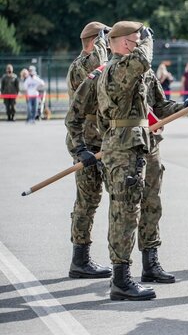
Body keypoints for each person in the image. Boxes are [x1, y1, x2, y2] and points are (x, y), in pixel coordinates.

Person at [96, 21, 188, 301]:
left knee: (149, 204)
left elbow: (161, 107)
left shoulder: (140, 71)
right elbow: (142, 60)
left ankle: (150, 263)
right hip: (123, 147)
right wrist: (146, 43)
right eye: (136, 40)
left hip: (143, 143)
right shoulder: (117, 68)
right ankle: (121, 280)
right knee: (124, 212)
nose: (141, 44)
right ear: (124, 43)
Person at [64, 21, 111, 279]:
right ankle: (80, 261)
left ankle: (82, 259)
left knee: (91, 200)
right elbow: (102, 64)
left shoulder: (84, 62)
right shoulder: (85, 64)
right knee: (87, 201)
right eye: (105, 38)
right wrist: (103, 41)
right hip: (87, 142)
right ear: (95, 42)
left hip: (98, 139)